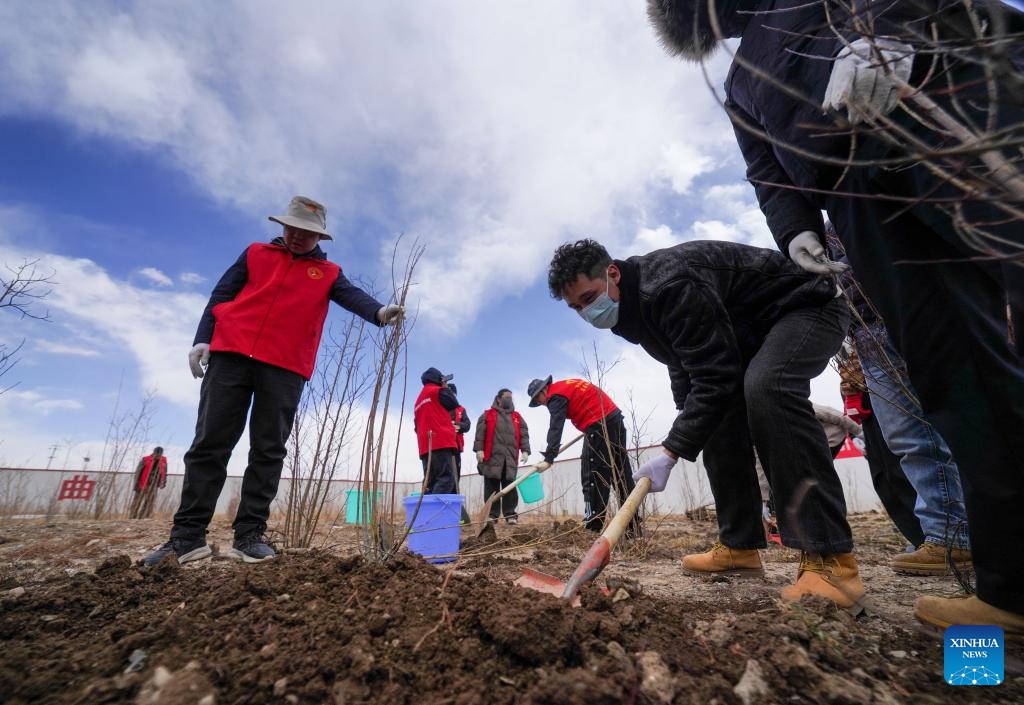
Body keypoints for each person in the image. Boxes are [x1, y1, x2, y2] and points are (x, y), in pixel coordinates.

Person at [646, 0, 1024, 632]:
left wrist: (891, 35)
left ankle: (842, 557)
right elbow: (766, 170)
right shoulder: (742, 81)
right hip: (856, 196)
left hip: (948, 98)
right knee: (952, 368)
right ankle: (1013, 585)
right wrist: (795, 228)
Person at [548, 238, 860, 608]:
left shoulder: (667, 285)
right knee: (712, 417)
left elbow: (715, 376)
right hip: (748, 336)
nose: (588, 312)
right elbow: (683, 363)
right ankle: (740, 545)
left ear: (612, 272)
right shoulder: (631, 307)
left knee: (768, 388)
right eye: (577, 307)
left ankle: (831, 562)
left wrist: (671, 448)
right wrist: (688, 422)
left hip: (807, 305)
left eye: (589, 297)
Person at [143, 196, 402, 567]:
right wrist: (203, 338)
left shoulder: (329, 274)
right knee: (209, 444)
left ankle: (249, 536)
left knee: (268, 450)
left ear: (320, 238)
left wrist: (379, 312)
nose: (298, 237)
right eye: (292, 228)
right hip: (231, 353)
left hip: (285, 366)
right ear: (282, 227)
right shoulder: (255, 254)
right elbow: (221, 295)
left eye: (308, 233)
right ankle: (186, 538)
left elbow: (351, 297)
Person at [527, 375, 641, 537]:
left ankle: (593, 527)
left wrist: (549, 458)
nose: (542, 404)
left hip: (598, 425)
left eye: (539, 400)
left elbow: (556, 426)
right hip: (614, 419)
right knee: (621, 474)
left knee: (592, 474)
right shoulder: (567, 385)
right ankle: (633, 527)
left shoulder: (554, 396)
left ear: (543, 390)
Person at [837, 352, 925, 548]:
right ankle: (920, 539)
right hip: (863, 398)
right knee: (885, 477)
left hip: (889, 379)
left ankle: (937, 535)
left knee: (904, 467)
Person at [473, 388, 531, 524]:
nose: (509, 400)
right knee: (491, 488)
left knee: (509, 487)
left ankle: (510, 514)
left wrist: (525, 450)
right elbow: (480, 434)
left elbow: (524, 435)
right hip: (491, 458)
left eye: (511, 397)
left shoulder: (517, 417)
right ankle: (492, 515)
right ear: (499, 399)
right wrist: (479, 450)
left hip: (509, 458)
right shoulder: (488, 415)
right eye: (506, 397)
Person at [414, 368, 462, 495]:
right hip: (440, 443)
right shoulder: (437, 391)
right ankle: (437, 513)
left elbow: (416, 426)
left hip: (425, 447)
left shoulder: (418, 401)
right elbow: (453, 403)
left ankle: (427, 512)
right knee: (445, 479)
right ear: (439, 379)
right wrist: (445, 386)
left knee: (429, 483)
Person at [448, 383, 472, 524]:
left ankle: (457, 513)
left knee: (456, 479)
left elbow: (467, 425)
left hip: (456, 448)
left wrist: (458, 426)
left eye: (453, 393)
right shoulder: (440, 407)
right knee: (443, 478)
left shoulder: (461, 409)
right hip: (441, 448)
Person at [129, 447, 167, 520]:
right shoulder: (145, 459)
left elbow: (165, 472)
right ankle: (132, 517)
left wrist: (164, 482)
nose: (158, 457)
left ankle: (144, 517)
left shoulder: (163, 460)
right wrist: (136, 484)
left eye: (160, 455)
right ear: (154, 453)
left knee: (149, 502)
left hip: (154, 485)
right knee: (137, 501)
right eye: (157, 455)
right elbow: (138, 472)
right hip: (142, 483)